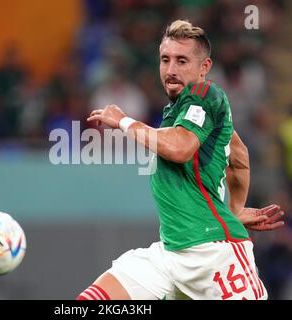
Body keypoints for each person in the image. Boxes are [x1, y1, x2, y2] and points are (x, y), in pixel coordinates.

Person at [79, 20, 284, 300]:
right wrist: (234, 209)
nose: (171, 69)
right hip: (170, 254)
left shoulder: (205, 94)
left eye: (182, 61)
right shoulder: (177, 109)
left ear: (204, 67)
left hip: (214, 254)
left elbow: (180, 148)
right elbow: (238, 155)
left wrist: (124, 121)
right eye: (165, 60)